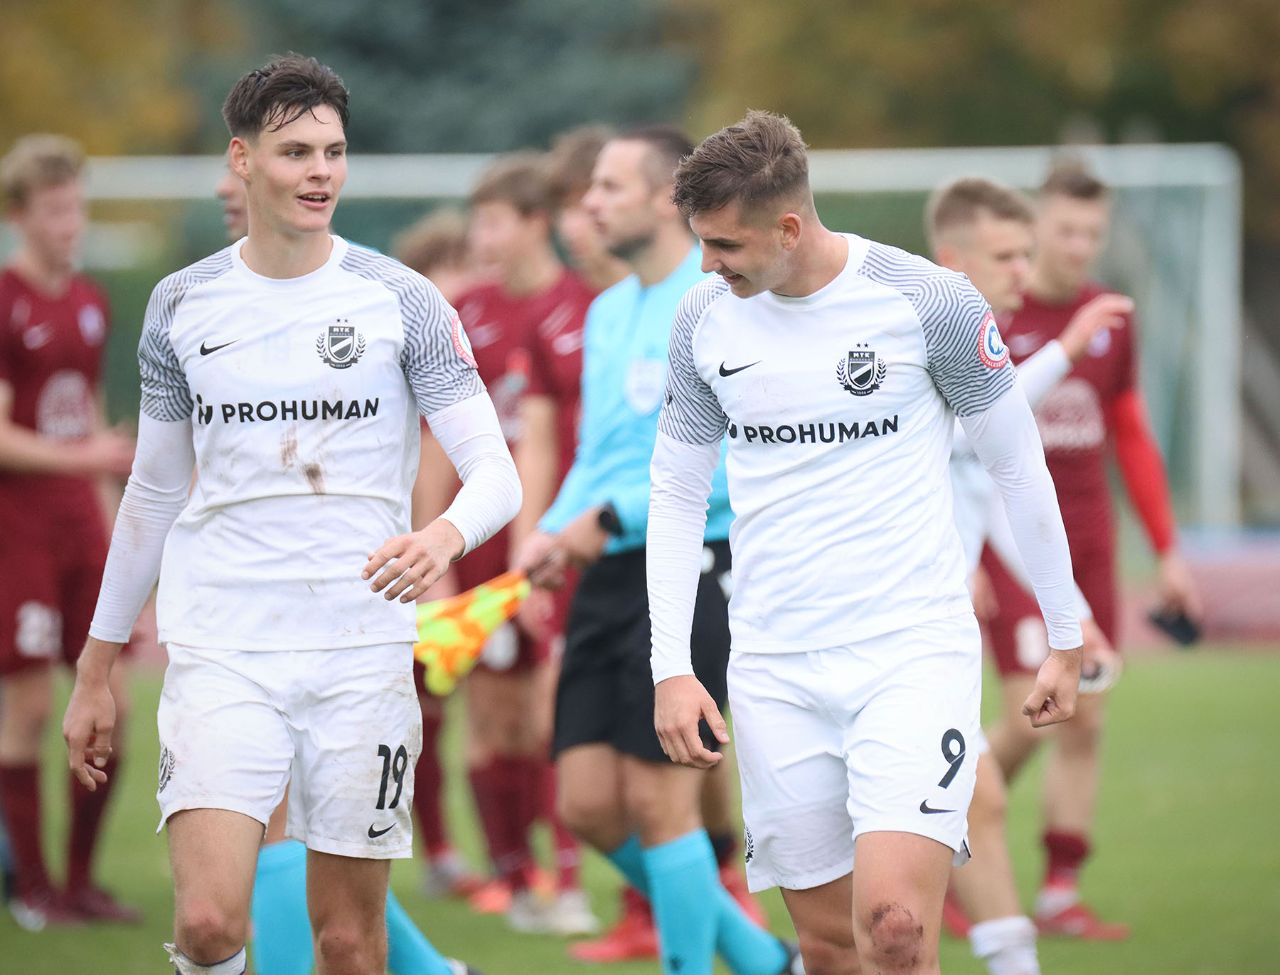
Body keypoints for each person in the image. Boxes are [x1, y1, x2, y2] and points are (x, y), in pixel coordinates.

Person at [61, 54, 520, 975]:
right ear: (242, 160)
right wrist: (96, 666)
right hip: (223, 645)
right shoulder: (182, 303)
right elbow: (153, 493)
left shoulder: (402, 299)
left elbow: (495, 474)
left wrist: (442, 536)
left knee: (347, 943)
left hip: (360, 652)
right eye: (296, 152)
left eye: (333, 152)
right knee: (207, 924)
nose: (320, 172)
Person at [649, 111, 1083, 975]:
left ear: (788, 228)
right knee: (827, 946)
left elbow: (1019, 467)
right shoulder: (702, 317)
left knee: (895, 927)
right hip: (773, 664)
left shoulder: (929, 301)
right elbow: (676, 492)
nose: (706, 265)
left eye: (725, 245)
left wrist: (1064, 634)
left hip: (909, 652)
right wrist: (671, 665)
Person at [516, 125, 800, 975]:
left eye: (608, 186)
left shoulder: (722, 301)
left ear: (664, 196)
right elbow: (599, 452)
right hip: (606, 572)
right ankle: (761, 958)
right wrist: (551, 528)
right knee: (587, 805)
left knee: (659, 800)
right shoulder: (608, 311)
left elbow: (732, 458)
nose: (589, 203)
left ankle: (715, 960)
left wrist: (606, 519)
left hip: (692, 567)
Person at [208, 167, 484, 975]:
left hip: (348, 609)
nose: (230, 202)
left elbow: (447, 445)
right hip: (245, 610)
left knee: (308, 824)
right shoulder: (203, 311)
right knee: (291, 821)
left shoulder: (372, 304)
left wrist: (437, 540)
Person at [981, 161, 1202, 941]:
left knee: (1085, 718)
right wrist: (967, 556)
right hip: (1011, 547)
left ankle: (1058, 890)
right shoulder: (992, 315)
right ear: (1035, 226)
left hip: (1090, 546)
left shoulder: (1109, 317)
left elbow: (1130, 433)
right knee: (1029, 710)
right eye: (1065, 230)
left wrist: (1168, 549)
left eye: (1092, 233)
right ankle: (948, 840)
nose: (1078, 246)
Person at [926, 177, 1130, 975]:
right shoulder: (911, 342)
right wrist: (1068, 349)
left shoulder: (970, 353)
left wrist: (1074, 620)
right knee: (965, 801)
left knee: (972, 801)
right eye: (1008, 255)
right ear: (955, 260)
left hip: (928, 626)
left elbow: (994, 487)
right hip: (878, 627)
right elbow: (977, 434)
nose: (1028, 267)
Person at [417, 153, 598, 935]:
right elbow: (435, 448)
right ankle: (516, 876)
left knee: (548, 712)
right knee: (493, 713)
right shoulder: (465, 314)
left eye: (494, 221)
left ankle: (564, 878)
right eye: (477, 221)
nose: (481, 237)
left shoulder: (588, 305)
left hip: (565, 536)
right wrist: (437, 559)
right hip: (484, 545)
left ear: (535, 223)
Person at [0, 134, 138, 929]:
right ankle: (34, 888)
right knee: (25, 708)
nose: (70, 223)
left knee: (112, 703)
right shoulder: (5, 299)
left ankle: (81, 880)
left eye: (77, 207)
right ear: (20, 215)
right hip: (17, 528)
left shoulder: (90, 300)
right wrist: (85, 454)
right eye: (55, 210)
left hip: (79, 523)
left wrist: (113, 522)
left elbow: (87, 414)